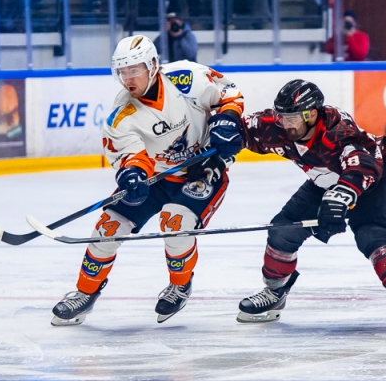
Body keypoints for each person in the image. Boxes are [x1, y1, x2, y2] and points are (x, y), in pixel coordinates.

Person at [51, 35, 244, 326]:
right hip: (156, 177)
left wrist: (227, 120)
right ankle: (84, 293)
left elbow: (229, 93)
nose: (128, 78)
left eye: (134, 69)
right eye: (122, 72)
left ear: (153, 65)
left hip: (202, 168)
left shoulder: (186, 78)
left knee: (174, 224)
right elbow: (132, 157)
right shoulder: (122, 116)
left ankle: (180, 285)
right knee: (108, 227)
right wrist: (133, 175)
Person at [236, 79, 386, 332]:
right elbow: (238, 129)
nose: (285, 124)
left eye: (292, 118)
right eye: (282, 117)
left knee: (371, 234)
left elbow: (362, 166)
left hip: (374, 182)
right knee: (282, 230)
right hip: (325, 180)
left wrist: (339, 198)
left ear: (312, 114)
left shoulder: (338, 130)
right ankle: (275, 293)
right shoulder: (275, 125)